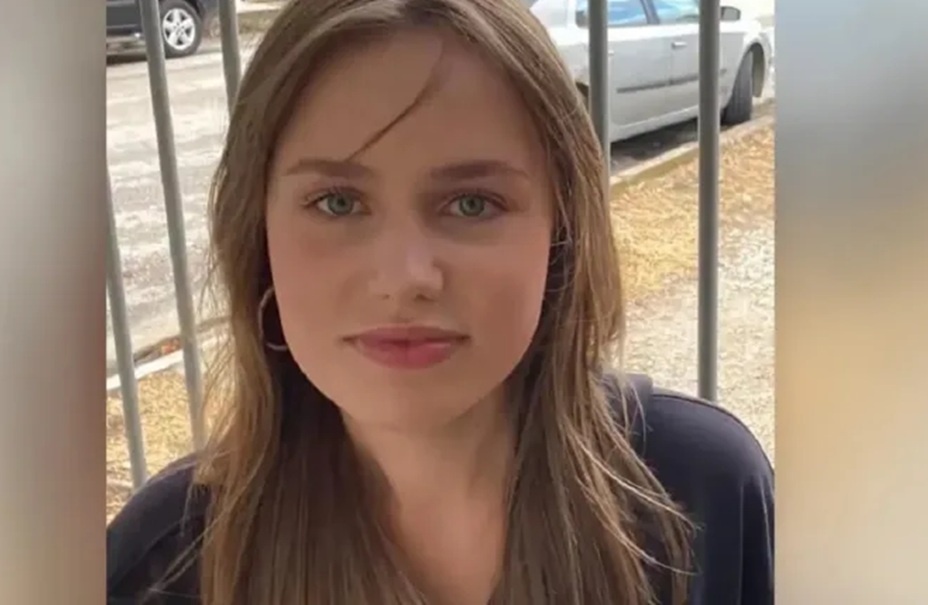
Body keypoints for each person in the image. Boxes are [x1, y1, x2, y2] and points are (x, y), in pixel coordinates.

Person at [106, 0, 774, 603]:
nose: (405, 277)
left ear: (561, 232)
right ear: (257, 234)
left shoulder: (701, 497)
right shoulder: (160, 567)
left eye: (472, 203)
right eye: (337, 202)